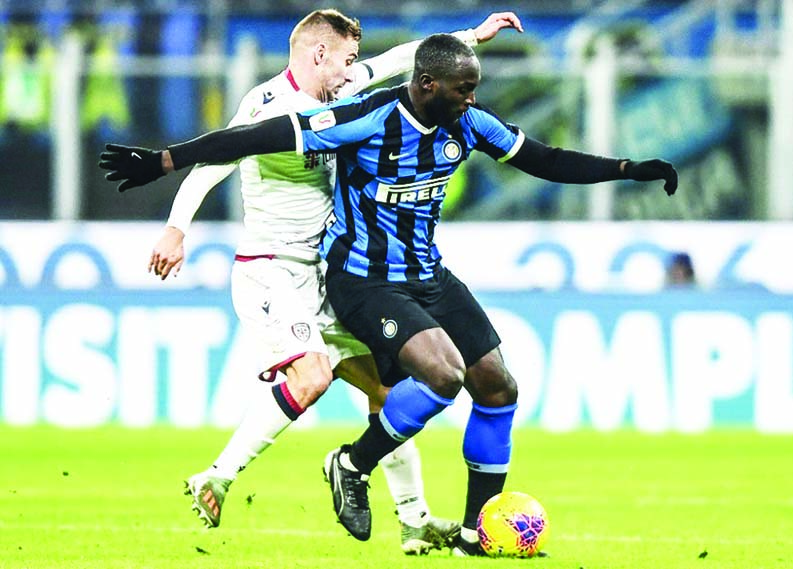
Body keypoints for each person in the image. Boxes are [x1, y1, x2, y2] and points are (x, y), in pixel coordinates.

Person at [99, 33, 678, 556]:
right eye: (463, 89)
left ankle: (475, 534)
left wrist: (628, 168)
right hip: (362, 278)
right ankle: (351, 463)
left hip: (429, 274)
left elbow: (546, 160)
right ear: (428, 87)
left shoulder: (471, 125)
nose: (472, 99)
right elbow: (262, 134)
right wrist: (165, 160)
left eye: (474, 89)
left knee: (498, 385)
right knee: (442, 375)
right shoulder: (368, 116)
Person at [140, 9, 524, 556]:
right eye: (346, 60)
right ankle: (217, 477)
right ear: (318, 55)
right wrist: (176, 230)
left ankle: (414, 522)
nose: (353, 72)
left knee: (389, 394)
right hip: (272, 268)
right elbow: (212, 163)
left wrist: (468, 37)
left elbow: (397, 62)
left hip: (327, 271)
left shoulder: (340, 95)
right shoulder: (267, 105)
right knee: (314, 373)